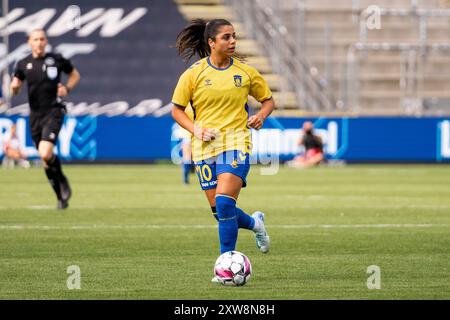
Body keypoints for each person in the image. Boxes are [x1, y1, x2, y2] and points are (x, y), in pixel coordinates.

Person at [171, 18, 275, 281]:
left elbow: (268, 100)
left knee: (224, 203)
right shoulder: (193, 74)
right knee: (221, 213)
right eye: (226, 37)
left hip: (237, 144)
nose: (232, 42)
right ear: (211, 42)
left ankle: (226, 264)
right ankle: (256, 223)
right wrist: (196, 130)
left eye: (234, 36)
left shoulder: (246, 72)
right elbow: (177, 110)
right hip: (204, 149)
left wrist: (261, 115)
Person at [10, 29, 81, 209]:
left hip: (54, 111)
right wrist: (15, 87)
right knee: (45, 160)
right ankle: (60, 196)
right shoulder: (23, 63)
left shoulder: (56, 60)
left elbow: (75, 75)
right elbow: (15, 89)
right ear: (29, 42)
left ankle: (62, 180)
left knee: (45, 152)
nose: (39, 42)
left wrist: (67, 89)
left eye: (42, 39)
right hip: (35, 115)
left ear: (46, 41)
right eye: (36, 39)